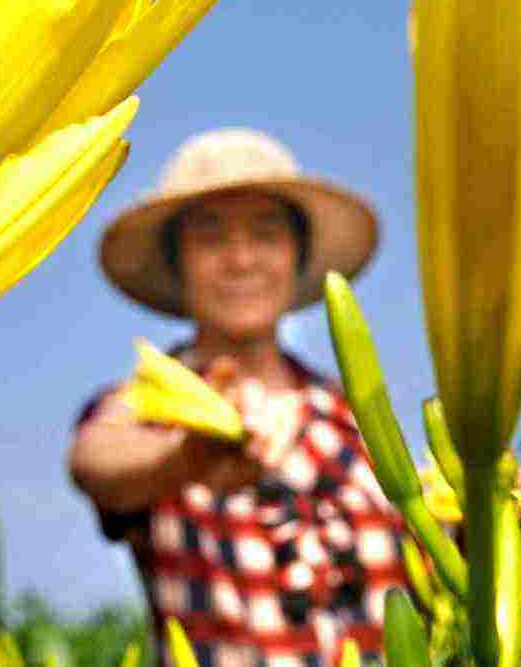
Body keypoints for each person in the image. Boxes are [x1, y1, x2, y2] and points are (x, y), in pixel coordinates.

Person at [67, 128, 409, 667]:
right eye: (210, 237)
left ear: (297, 257)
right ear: (178, 266)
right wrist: (185, 459)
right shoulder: (151, 402)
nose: (241, 259)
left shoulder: (353, 414)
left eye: (266, 234)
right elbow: (94, 459)